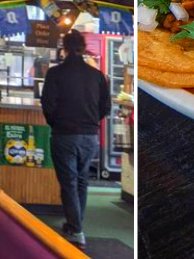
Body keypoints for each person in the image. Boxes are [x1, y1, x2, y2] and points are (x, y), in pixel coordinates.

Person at [41, 30, 111, 249]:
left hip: (64, 135)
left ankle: (77, 229)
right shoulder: (97, 75)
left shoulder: (55, 74)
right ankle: (75, 225)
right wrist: (90, 123)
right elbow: (105, 108)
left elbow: (48, 105)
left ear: (64, 47)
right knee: (81, 180)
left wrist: (58, 123)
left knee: (69, 182)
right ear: (82, 47)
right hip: (90, 136)